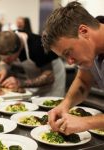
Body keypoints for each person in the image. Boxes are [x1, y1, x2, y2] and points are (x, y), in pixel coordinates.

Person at [42, 1, 104, 135]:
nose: (70, 62)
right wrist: (65, 105)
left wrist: (86, 122)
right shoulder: (91, 50)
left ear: (84, 31)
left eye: (68, 52)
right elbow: (83, 80)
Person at [0, 30, 66, 97]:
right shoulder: (9, 39)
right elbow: (4, 61)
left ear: (18, 49)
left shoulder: (37, 46)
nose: (6, 60)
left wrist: (20, 83)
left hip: (53, 78)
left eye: (9, 58)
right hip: (35, 78)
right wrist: (3, 71)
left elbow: (49, 77)